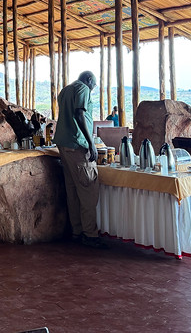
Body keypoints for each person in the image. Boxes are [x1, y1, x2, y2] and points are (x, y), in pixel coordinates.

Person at [54, 71, 108, 249]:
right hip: (78, 145)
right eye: (94, 85)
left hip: (63, 144)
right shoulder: (83, 89)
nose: (93, 89)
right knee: (88, 190)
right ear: (89, 80)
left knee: (73, 190)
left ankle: (76, 231)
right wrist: (91, 143)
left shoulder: (65, 90)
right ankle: (90, 235)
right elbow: (79, 114)